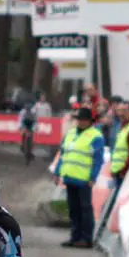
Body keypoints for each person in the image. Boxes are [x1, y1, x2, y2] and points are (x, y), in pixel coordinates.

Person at [53, 106, 105, 248]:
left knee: (85, 209)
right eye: (79, 119)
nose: (81, 122)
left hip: (84, 180)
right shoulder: (70, 134)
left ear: (90, 121)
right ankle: (75, 237)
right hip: (70, 177)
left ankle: (86, 239)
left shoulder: (96, 136)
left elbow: (98, 160)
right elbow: (63, 155)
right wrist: (57, 172)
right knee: (73, 209)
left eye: (83, 120)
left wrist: (93, 177)